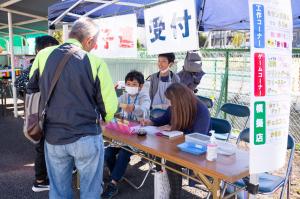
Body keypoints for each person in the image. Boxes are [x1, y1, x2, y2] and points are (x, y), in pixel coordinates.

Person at [27, 18, 118, 199]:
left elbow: (32, 88)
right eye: (95, 42)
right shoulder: (96, 62)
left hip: (53, 137)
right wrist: (105, 119)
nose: (94, 46)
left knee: (59, 191)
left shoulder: (43, 55)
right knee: (91, 191)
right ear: (89, 40)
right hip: (87, 136)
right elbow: (109, 106)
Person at [141, 83, 210, 199]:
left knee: (171, 161)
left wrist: (174, 129)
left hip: (197, 150)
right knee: (160, 151)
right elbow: (163, 120)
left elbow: (197, 138)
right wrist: (150, 122)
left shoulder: (201, 110)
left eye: (170, 101)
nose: (169, 104)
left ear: (180, 100)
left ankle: (174, 195)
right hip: (178, 145)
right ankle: (163, 188)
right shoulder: (175, 106)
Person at [102, 70, 150, 199]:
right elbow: (113, 102)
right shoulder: (124, 96)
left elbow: (144, 108)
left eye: (134, 84)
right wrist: (110, 93)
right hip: (123, 134)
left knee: (124, 153)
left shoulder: (144, 96)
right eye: (128, 83)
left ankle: (113, 183)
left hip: (138, 136)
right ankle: (116, 174)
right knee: (108, 153)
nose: (131, 86)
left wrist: (133, 108)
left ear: (140, 86)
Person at [20, 36, 60, 192]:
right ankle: (40, 180)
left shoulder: (39, 65)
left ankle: (42, 178)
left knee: (42, 145)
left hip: (35, 112)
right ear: (40, 50)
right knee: (42, 146)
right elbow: (22, 83)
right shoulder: (38, 66)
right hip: (40, 113)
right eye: (52, 48)